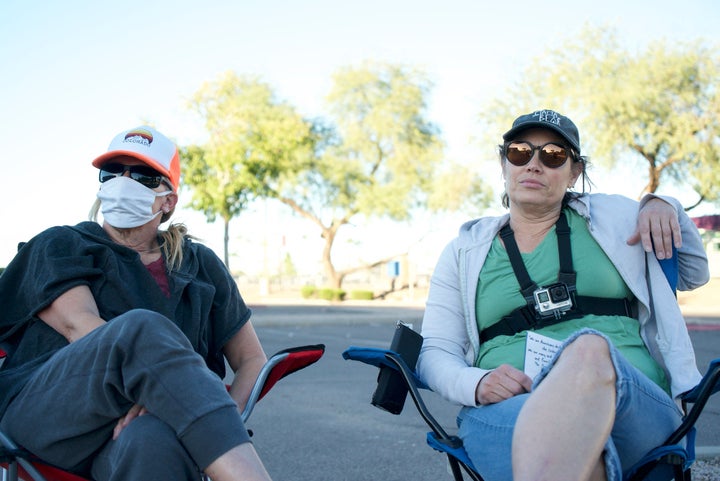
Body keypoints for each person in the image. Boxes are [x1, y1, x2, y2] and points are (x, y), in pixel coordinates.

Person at [416, 109, 709, 481]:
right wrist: (475, 383)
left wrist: (665, 205)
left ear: (574, 172)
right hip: (509, 408)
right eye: (520, 152)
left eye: (553, 156)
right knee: (572, 452)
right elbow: (435, 351)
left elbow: (693, 272)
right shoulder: (464, 251)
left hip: (631, 403)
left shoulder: (616, 217)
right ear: (503, 164)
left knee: (587, 350)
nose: (534, 165)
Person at [0, 126, 273, 481]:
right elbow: (79, 326)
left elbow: (252, 359)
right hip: (50, 418)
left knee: (154, 442)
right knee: (140, 328)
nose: (123, 182)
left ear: (168, 201)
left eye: (143, 176)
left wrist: (209, 418)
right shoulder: (62, 243)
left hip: (136, 433)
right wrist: (165, 395)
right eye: (112, 173)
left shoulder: (200, 265)